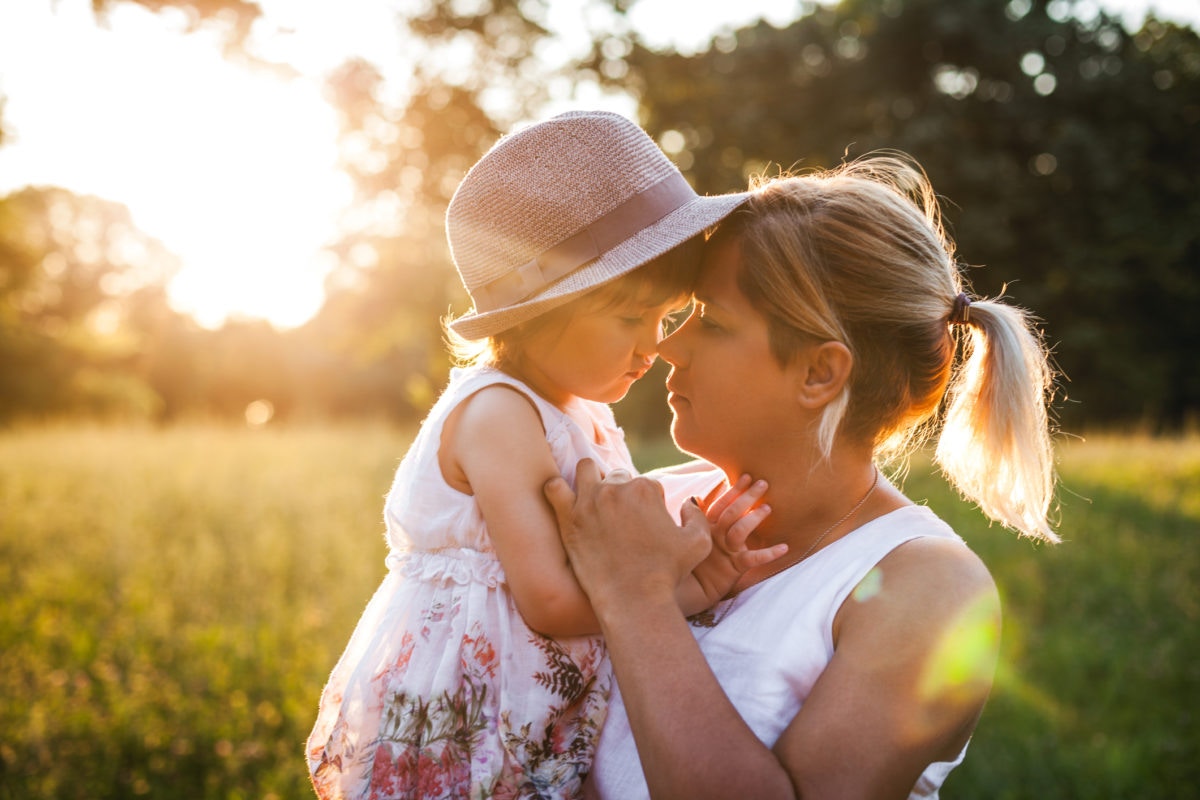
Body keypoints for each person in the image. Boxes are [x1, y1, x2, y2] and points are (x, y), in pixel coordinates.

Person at [544, 154, 1060, 800]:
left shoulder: (930, 589)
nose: (670, 347)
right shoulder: (657, 500)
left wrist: (640, 600)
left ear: (820, 373)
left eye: (716, 322)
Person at [306, 110, 772, 800]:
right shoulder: (499, 414)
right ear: (540, 311)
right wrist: (687, 588)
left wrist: (693, 573)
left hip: (536, 712)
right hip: (468, 718)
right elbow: (552, 599)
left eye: (665, 317)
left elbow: (611, 557)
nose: (655, 345)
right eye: (628, 319)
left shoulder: (580, 412)